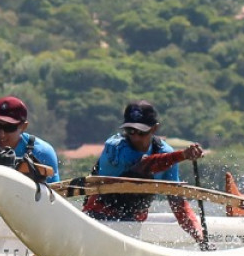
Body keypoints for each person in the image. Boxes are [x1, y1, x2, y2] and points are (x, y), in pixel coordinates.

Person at [81, 101, 207, 243]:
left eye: (141, 132)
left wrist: (200, 238)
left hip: (133, 224)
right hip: (97, 218)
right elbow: (144, 166)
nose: (135, 137)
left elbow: (178, 204)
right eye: (130, 131)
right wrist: (182, 156)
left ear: (154, 129)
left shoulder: (165, 152)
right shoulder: (115, 148)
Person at [0, 96, 61, 185]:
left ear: (23, 126)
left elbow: (56, 193)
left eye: (9, 127)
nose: (2, 134)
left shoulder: (43, 152)